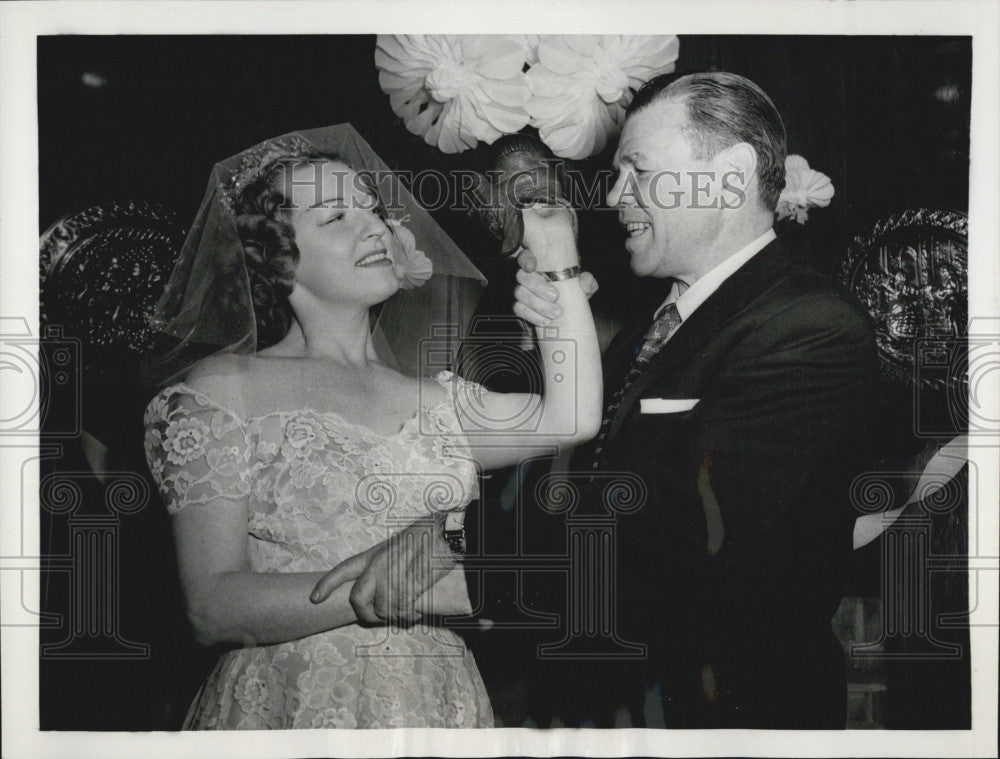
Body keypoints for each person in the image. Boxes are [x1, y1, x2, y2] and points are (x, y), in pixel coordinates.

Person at [142, 125, 600, 729]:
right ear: (279, 261)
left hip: (438, 706)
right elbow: (213, 605)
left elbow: (573, 416)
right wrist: (390, 581)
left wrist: (556, 255)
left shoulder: (438, 400)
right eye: (336, 217)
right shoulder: (223, 390)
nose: (376, 227)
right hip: (294, 704)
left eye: (371, 209)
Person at [511, 72, 878, 728]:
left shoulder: (809, 324)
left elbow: (680, 535)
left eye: (638, 171)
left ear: (732, 177)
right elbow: (578, 480)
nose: (615, 194)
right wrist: (556, 344)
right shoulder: (656, 326)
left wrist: (472, 568)